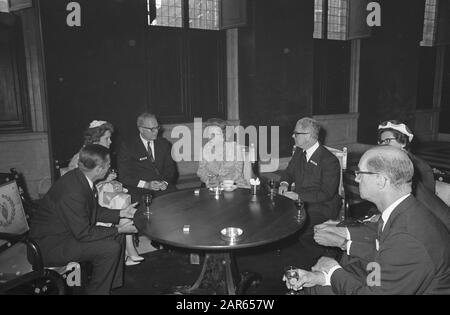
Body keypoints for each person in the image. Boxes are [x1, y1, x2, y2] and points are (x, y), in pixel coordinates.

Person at [285, 146, 450, 294]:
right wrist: (323, 276)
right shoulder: (403, 211)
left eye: (360, 173)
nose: (357, 179)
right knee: (316, 286)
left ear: (381, 180)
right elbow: (383, 262)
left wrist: (333, 271)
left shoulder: (407, 237)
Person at [29, 145, 139, 294]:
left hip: (66, 234)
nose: (110, 168)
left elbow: (93, 210)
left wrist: (121, 212)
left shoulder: (80, 177)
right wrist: (119, 228)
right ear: (99, 169)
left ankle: (108, 286)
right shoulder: (73, 191)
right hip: (49, 246)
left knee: (116, 236)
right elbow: (84, 233)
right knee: (110, 247)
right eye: (108, 165)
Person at [68, 120, 143, 266]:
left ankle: (127, 250)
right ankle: (128, 249)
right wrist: (105, 182)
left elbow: (101, 181)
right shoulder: (83, 157)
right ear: (96, 139)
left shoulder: (100, 154)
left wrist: (111, 182)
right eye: (107, 138)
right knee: (123, 201)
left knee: (124, 198)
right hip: (86, 202)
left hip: (101, 194)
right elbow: (78, 186)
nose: (110, 142)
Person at [278, 117, 341, 269]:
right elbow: (288, 172)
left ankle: (322, 260)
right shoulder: (300, 152)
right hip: (300, 201)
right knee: (276, 217)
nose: (293, 136)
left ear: (307, 136)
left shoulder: (329, 160)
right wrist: (284, 183)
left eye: (296, 133)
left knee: (302, 226)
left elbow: (327, 193)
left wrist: (297, 196)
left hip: (323, 205)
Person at [117, 113, 178, 201]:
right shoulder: (128, 146)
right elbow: (124, 176)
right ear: (141, 129)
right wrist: (146, 185)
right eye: (152, 129)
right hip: (140, 191)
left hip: (164, 188)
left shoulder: (164, 144)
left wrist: (164, 182)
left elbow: (171, 170)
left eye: (157, 127)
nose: (156, 131)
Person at [377, 120, 435, 193]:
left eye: (388, 140)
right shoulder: (387, 160)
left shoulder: (417, 166)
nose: (383, 145)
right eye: (381, 141)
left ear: (403, 142)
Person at [197, 118, 249, 188]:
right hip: (213, 187)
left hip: (236, 186)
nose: (211, 137)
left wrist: (221, 180)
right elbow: (201, 171)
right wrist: (209, 180)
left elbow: (238, 172)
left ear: (224, 135)